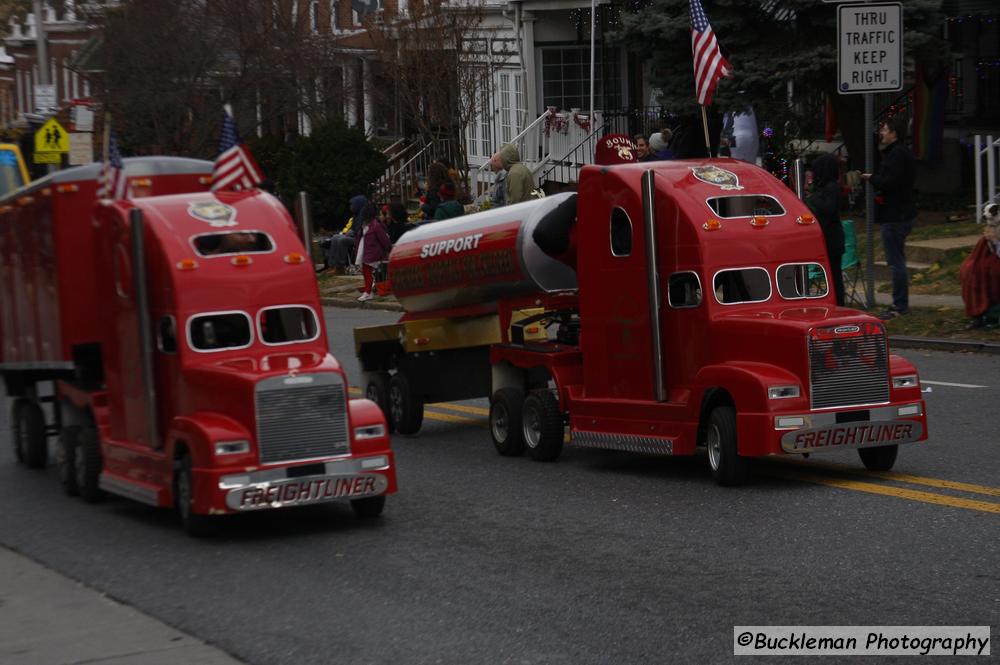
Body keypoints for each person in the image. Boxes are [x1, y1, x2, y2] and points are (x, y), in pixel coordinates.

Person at [861, 117, 917, 319]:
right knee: (897, 260)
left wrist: (872, 179)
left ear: (894, 133)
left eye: (884, 130)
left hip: (895, 215)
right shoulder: (898, 154)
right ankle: (900, 302)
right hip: (900, 213)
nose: (881, 133)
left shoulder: (897, 155)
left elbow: (889, 182)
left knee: (896, 262)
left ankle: (899, 305)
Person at [807, 153, 845, 306]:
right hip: (826, 238)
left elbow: (829, 208)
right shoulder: (824, 187)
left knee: (835, 276)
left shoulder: (832, 187)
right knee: (830, 275)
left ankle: (839, 304)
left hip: (833, 239)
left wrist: (813, 198)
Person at [959, 203, 1000, 329]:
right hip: (987, 259)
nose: (986, 216)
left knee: (991, 274)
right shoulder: (991, 227)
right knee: (971, 271)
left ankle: (990, 315)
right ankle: (978, 314)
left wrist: (995, 241)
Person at [354, 203, 392, 302]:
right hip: (366, 251)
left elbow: (384, 240)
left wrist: (388, 249)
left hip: (372, 253)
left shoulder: (375, 226)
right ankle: (368, 291)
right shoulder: (367, 225)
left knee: (368, 273)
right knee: (367, 273)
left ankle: (367, 292)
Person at [326, 195, 366, 274]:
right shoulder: (356, 215)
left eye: (352, 205)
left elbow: (359, 231)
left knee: (342, 240)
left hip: (359, 239)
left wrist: (349, 233)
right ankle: (332, 265)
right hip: (353, 236)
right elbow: (352, 228)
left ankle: (340, 267)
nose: (351, 207)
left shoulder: (363, 216)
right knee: (335, 237)